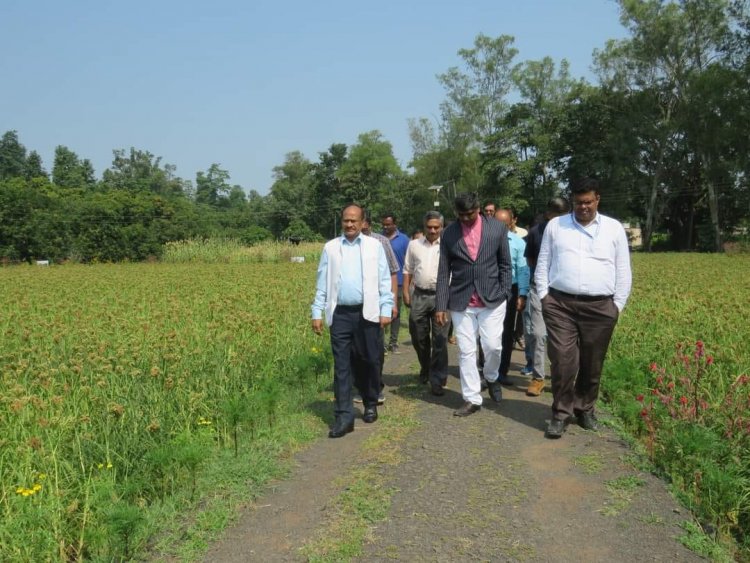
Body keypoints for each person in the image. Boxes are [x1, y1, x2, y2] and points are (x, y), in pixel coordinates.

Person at [536, 178, 632, 438]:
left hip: (600, 307)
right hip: (560, 305)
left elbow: (623, 270)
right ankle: (560, 414)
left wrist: (617, 306)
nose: (583, 207)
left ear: (597, 199)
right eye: (578, 203)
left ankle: (585, 408)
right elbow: (543, 263)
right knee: (563, 361)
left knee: (592, 362)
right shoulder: (556, 226)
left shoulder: (613, 229)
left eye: (588, 202)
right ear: (572, 202)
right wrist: (545, 296)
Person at [311, 205, 394, 438]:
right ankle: (344, 417)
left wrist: (386, 308)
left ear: (363, 222)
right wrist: (317, 311)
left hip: (367, 313)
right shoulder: (331, 248)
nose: (349, 225)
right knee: (342, 366)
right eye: (346, 221)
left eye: (354, 221)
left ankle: (369, 401)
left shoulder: (374, 246)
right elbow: (322, 281)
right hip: (340, 315)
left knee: (368, 360)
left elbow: (384, 279)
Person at [436, 193, 512, 416]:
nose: (467, 218)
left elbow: (505, 264)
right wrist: (441, 305)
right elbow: (443, 272)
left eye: (470, 214)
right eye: (462, 215)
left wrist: (505, 291)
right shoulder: (449, 233)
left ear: (478, 208)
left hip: (493, 299)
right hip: (461, 301)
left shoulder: (496, 228)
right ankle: (472, 398)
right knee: (466, 351)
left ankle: (491, 377)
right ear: (456, 214)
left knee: (492, 346)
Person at [523, 198, 569, 397]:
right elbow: (530, 259)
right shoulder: (536, 232)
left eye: (562, 216)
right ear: (548, 213)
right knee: (539, 335)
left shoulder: (573, 233)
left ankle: (563, 379)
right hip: (540, 289)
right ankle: (538, 377)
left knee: (564, 340)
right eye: (554, 215)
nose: (557, 220)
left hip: (565, 293)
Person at [403, 211, 450, 395]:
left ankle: (437, 377)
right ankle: (426, 367)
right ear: (424, 227)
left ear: (442, 227)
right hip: (420, 295)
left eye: (436, 227)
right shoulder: (414, 245)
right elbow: (407, 269)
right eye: (429, 227)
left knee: (440, 338)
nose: (432, 230)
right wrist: (406, 291)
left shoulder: (448, 245)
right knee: (417, 334)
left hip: (442, 296)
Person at [359, 212, 400, 405]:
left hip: (376, 303)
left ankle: (376, 386)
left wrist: (391, 302)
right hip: (353, 304)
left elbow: (392, 272)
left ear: (366, 222)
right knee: (356, 349)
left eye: (362, 221)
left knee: (374, 348)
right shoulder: (343, 244)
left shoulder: (381, 242)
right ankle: (360, 387)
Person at [493, 208, 529, 386]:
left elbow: (522, 270)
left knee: (507, 331)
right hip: (490, 289)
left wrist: (522, 294)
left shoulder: (518, 243)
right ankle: (486, 369)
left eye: (504, 225)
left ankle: (502, 371)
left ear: (511, 224)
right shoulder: (485, 241)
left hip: (510, 289)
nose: (500, 228)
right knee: (488, 331)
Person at [381, 213, 410, 354]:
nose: (386, 227)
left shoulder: (404, 240)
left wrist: (409, 282)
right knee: (380, 311)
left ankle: (393, 342)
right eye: (384, 225)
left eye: (388, 224)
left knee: (395, 313)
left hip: (397, 282)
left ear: (395, 224)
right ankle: (382, 343)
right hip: (381, 282)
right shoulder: (378, 239)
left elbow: (409, 262)